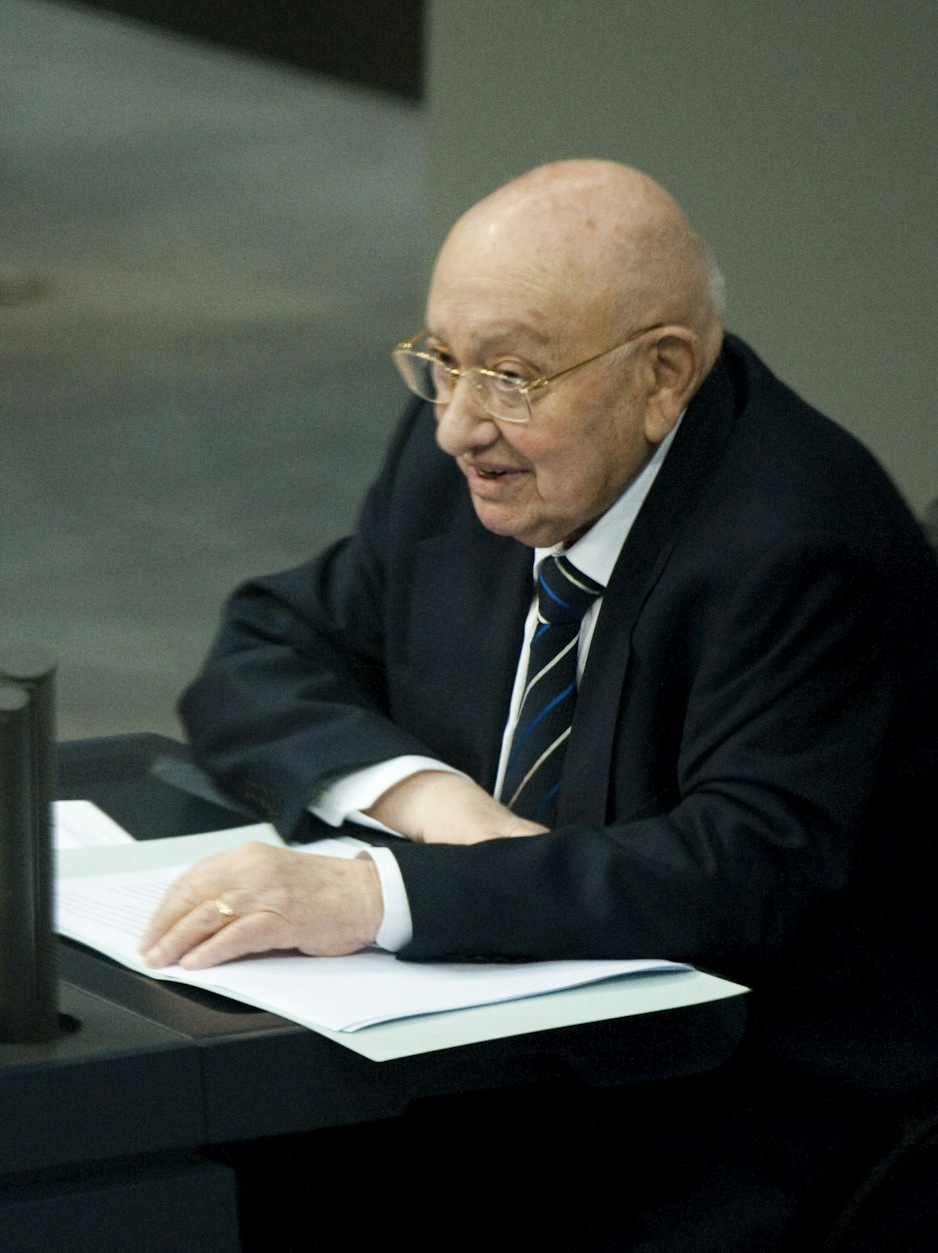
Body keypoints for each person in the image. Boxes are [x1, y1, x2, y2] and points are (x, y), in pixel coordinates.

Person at [141, 159, 938, 1248]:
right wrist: (433, 807)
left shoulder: (799, 545)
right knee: (178, 1170)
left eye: (509, 375)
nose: (453, 426)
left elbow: (730, 871)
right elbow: (262, 646)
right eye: (439, 363)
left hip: (716, 1107)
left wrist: (372, 892)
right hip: (492, 1067)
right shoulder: (473, 462)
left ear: (662, 374)